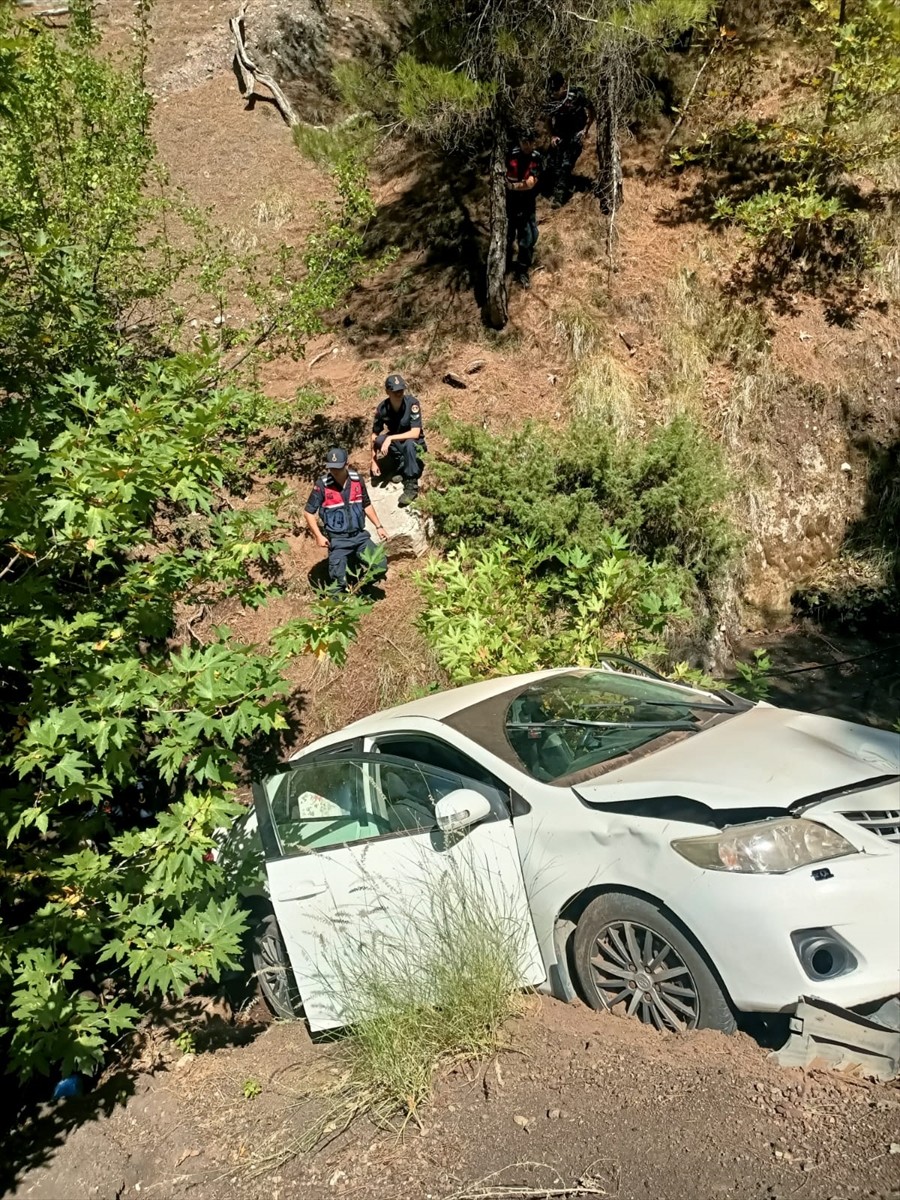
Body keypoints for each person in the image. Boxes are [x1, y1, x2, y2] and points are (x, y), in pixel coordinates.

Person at [304, 447, 388, 590]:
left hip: (359, 536)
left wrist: (379, 526)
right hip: (338, 541)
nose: (335, 471)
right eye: (332, 468)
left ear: (346, 465)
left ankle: (361, 587)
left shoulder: (357, 480)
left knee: (381, 565)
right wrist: (318, 535)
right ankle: (338, 607)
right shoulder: (322, 485)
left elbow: (366, 505)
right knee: (338, 581)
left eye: (338, 467)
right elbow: (308, 512)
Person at [371, 373, 427, 508]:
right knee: (379, 440)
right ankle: (399, 467)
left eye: (401, 390)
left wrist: (390, 438)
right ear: (387, 392)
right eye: (395, 391)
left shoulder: (412, 404)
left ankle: (411, 483)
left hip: (415, 443)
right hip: (397, 443)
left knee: (408, 443)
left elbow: (415, 433)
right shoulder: (382, 408)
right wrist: (373, 461)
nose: (399, 393)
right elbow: (374, 434)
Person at [545, 71, 595, 207]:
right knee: (551, 163)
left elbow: (591, 110)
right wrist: (552, 136)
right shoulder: (552, 100)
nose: (554, 93)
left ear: (564, 86)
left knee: (566, 165)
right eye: (552, 90)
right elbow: (548, 120)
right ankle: (557, 187)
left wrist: (585, 130)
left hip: (575, 134)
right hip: (560, 134)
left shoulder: (577, 94)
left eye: (557, 89)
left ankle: (559, 197)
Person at [505, 130, 542, 289]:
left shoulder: (536, 157)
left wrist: (512, 186)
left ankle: (522, 269)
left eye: (529, 142)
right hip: (509, 203)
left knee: (530, 236)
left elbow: (530, 183)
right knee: (508, 235)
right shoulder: (510, 154)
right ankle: (506, 264)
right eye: (523, 141)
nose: (526, 145)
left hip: (527, 203)